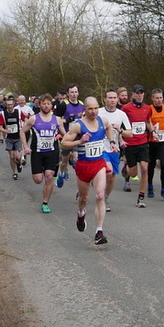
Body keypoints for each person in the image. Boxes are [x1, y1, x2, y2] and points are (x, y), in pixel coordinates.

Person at [61, 97, 111, 245]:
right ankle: (81, 213)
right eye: (90, 108)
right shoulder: (78, 126)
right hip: (83, 166)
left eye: (96, 108)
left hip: (98, 164)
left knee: (100, 195)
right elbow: (64, 143)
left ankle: (99, 231)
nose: (94, 111)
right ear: (85, 110)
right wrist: (80, 141)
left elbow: (109, 128)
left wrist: (112, 141)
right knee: (83, 199)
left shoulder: (103, 121)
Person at [21, 94, 66, 213]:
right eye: (44, 103)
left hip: (52, 151)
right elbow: (22, 131)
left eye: (48, 103)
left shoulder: (57, 119)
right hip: (37, 152)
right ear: (40, 104)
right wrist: (25, 146)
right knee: (38, 179)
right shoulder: (34, 119)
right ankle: (53, 173)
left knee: (49, 177)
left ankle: (45, 203)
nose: (46, 106)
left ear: (52, 105)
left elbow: (65, 135)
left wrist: (67, 143)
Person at [98, 89, 133, 209]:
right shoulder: (98, 112)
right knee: (108, 170)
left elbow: (130, 133)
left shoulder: (121, 114)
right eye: (109, 98)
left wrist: (120, 130)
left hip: (114, 149)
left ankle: (105, 197)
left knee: (112, 176)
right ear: (104, 99)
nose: (112, 100)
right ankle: (100, 196)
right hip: (100, 147)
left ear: (117, 99)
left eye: (114, 98)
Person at [121, 85, 154, 206]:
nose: (140, 95)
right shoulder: (126, 108)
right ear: (133, 94)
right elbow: (121, 124)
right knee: (133, 173)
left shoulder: (147, 108)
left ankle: (141, 197)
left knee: (145, 168)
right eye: (137, 93)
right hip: (130, 143)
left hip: (143, 142)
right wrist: (121, 138)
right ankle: (126, 168)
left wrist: (153, 131)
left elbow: (148, 122)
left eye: (142, 93)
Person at [54, 84, 85, 187]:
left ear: (78, 93)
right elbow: (56, 121)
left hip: (78, 137)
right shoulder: (63, 105)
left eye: (76, 92)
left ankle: (80, 186)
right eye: (71, 92)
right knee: (64, 161)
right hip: (66, 136)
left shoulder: (82, 104)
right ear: (67, 94)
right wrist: (67, 121)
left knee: (77, 161)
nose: (74, 94)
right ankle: (62, 173)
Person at [146, 89, 164, 200]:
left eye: (160, 98)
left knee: (163, 164)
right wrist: (152, 130)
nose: (159, 100)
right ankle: (150, 186)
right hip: (152, 140)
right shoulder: (149, 109)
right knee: (151, 164)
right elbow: (147, 122)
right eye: (156, 98)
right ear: (152, 98)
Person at [0, 97, 26, 179]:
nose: (9, 106)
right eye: (8, 105)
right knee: (11, 157)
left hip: (18, 137)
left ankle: (19, 163)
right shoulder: (3, 114)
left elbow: (27, 121)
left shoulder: (19, 112)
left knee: (17, 157)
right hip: (9, 138)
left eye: (11, 105)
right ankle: (15, 173)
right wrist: (4, 130)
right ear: (6, 105)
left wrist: (23, 130)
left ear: (14, 104)